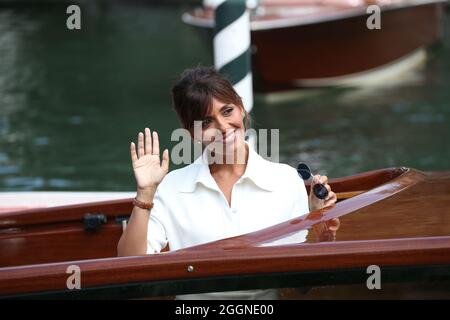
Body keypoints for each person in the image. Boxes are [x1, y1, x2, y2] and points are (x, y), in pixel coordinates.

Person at [117, 66, 337, 299]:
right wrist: (145, 192)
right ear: (191, 133)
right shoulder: (171, 187)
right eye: (207, 122)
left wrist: (318, 226)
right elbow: (130, 265)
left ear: (241, 108)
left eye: (227, 111)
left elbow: (299, 284)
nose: (223, 128)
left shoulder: (286, 180)